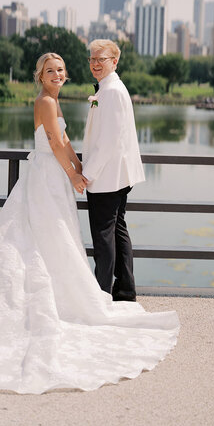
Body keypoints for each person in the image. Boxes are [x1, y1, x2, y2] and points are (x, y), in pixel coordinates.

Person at [0, 52, 179, 395]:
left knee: (57, 236)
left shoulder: (54, 102)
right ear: (40, 76)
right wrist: (74, 175)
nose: (56, 75)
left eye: (60, 70)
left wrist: (79, 168)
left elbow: (67, 142)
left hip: (56, 176)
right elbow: (54, 143)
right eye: (50, 71)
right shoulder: (43, 101)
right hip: (45, 177)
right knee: (42, 234)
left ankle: (59, 292)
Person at [83, 39, 145, 301]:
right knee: (117, 231)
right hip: (116, 175)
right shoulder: (110, 88)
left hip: (108, 177)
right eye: (92, 59)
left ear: (114, 61)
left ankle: (103, 293)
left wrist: (87, 175)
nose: (96, 64)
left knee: (103, 237)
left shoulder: (112, 91)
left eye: (101, 59)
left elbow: (108, 141)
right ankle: (125, 289)